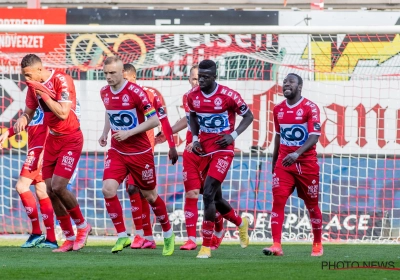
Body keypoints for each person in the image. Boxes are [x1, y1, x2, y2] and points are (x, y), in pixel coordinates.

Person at [14, 54, 91, 253]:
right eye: (24, 76)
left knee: (58, 186)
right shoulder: (33, 86)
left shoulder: (61, 80)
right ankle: (69, 237)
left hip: (71, 139)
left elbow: (63, 113)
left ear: (40, 70)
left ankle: (82, 226)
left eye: (29, 75)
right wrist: (23, 118)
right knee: (48, 190)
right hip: (52, 140)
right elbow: (30, 110)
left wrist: (44, 92)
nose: (26, 80)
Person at [99, 57, 175, 255]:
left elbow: (154, 121)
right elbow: (109, 112)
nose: (108, 77)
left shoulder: (136, 92)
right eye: (105, 73)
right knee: (108, 189)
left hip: (139, 152)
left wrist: (129, 133)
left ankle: (168, 234)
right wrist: (105, 132)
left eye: (112, 73)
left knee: (150, 196)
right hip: (117, 150)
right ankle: (122, 235)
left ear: (122, 72)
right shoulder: (104, 92)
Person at [187, 59, 254, 258]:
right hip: (203, 149)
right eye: (199, 77)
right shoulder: (193, 96)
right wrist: (196, 138)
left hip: (223, 150)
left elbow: (249, 116)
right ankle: (241, 223)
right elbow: (192, 116)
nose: (201, 81)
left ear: (215, 77)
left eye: (206, 77)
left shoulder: (228, 96)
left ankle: (206, 246)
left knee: (207, 194)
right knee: (215, 197)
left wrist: (232, 135)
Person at [156, 65, 225, 251]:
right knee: (192, 194)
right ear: (189, 79)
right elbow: (188, 120)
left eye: (200, 78)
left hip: (211, 152)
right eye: (194, 79)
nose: (198, 82)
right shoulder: (189, 97)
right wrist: (167, 132)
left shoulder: (217, 98)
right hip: (192, 151)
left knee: (212, 198)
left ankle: (220, 227)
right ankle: (192, 239)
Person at [263, 73, 323, 257]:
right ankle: (276, 245)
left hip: (306, 164)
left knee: (311, 204)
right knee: (278, 201)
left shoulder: (310, 108)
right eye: (284, 82)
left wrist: (297, 153)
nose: (286, 84)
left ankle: (318, 243)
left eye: (291, 82)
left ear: (300, 86)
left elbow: (314, 137)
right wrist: (274, 163)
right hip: (284, 163)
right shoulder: (278, 109)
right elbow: (278, 137)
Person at [123, 63, 178, 250]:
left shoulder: (149, 94)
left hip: (143, 150)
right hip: (123, 149)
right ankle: (147, 237)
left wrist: (172, 145)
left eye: (124, 78)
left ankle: (142, 235)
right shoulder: (116, 94)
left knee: (134, 189)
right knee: (138, 191)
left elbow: (163, 120)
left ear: (132, 78)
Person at [0, 107, 57, 249]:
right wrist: (8, 132)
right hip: (34, 149)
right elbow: (27, 120)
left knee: (21, 186)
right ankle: (51, 239)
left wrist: (44, 151)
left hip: (39, 151)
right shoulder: (34, 102)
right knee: (41, 191)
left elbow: (53, 127)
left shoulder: (48, 100)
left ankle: (37, 232)